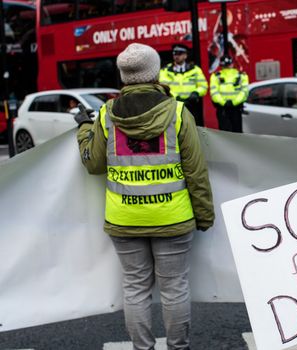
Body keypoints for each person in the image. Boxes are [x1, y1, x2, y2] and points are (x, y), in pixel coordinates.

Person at [74, 43, 215, 350]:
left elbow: (93, 163)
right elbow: (196, 171)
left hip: (125, 219)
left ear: (123, 76)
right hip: (173, 219)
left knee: (135, 289)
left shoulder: (106, 115)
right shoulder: (177, 112)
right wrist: (204, 215)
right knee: (174, 289)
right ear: (155, 72)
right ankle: (179, 347)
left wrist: (85, 128)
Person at [159, 44, 208, 127]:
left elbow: (203, 85)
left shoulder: (195, 69)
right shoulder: (165, 71)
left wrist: (196, 93)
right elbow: (163, 87)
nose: (176, 56)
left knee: (193, 129)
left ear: (185, 55)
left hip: (192, 106)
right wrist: (176, 97)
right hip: (174, 105)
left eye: (179, 53)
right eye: (175, 54)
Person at [209, 55, 249, 132]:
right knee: (237, 132)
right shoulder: (241, 75)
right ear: (232, 64)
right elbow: (244, 92)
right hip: (232, 108)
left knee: (225, 133)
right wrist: (233, 102)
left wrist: (224, 103)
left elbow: (214, 92)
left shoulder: (215, 76)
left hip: (225, 108)